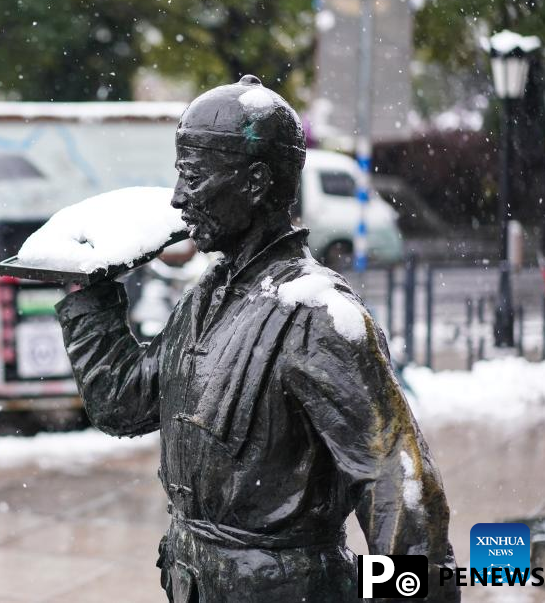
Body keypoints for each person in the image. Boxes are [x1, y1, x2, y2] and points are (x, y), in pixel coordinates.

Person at [54, 76, 458, 602]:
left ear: (256, 182)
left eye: (194, 177)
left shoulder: (316, 315)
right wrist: (90, 293)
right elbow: (122, 404)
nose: (179, 198)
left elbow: (397, 490)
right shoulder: (209, 296)